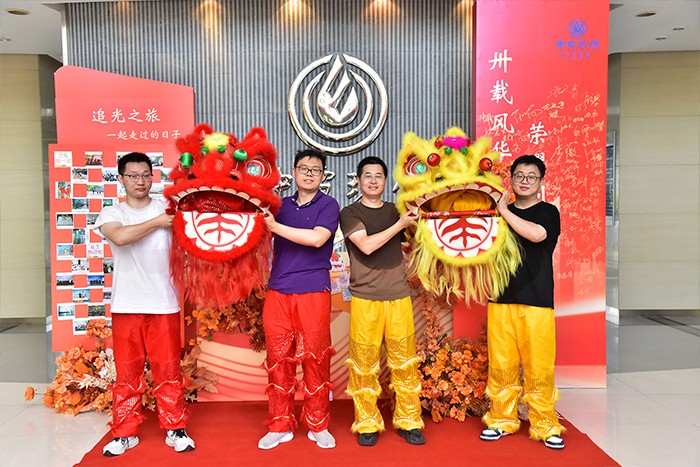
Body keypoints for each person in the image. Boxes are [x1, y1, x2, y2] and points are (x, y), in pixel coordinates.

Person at [94, 152, 195, 456]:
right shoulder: (112, 213)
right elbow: (121, 238)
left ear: (153, 177)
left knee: (168, 370)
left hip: (163, 304)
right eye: (133, 176)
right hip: (126, 304)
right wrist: (158, 222)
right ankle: (125, 433)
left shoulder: (169, 209)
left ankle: (175, 428)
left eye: (145, 175)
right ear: (121, 178)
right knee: (127, 373)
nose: (140, 181)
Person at [480, 154, 564, 449]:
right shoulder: (495, 215)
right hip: (500, 298)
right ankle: (501, 419)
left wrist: (503, 210)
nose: (525, 181)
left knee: (539, 366)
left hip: (537, 301)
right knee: (502, 363)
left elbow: (537, 235)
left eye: (531, 177)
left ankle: (545, 424)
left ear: (540, 182)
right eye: (519, 176)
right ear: (511, 179)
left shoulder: (548, 212)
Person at [258, 148, 340, 450]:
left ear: (323, 176)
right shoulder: (279, 206)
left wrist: (275, 227)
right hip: (279, 289)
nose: (309, 174)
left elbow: (318, 238)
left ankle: (318, 424)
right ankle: (280, 425)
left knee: (315, 358)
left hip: (313, 289)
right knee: (278, 359)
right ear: (293, 172)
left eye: (315, 170)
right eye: (303, 168)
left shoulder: (328, 204)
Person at [340, 156, 425, 447]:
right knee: (364, 364)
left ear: (386, 181)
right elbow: (366, 245)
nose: (373, 180)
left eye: (379, 176)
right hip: (365, 297)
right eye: (368, 175)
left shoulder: (396, 210)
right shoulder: (350, 212)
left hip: (398, 294)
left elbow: (417, 239)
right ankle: (367, 423)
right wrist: (399, 224)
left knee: (405, 362)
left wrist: (416, 219)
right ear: (358, 181)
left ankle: (409, 421)